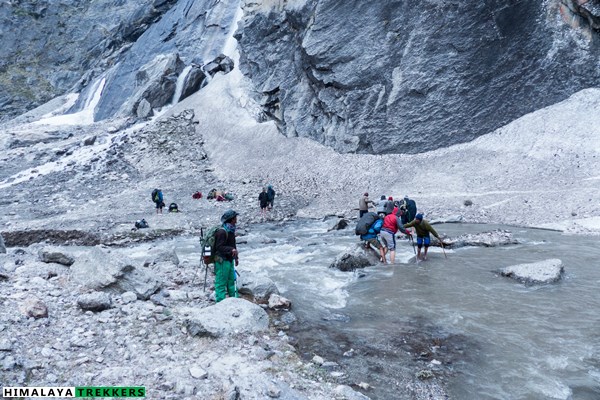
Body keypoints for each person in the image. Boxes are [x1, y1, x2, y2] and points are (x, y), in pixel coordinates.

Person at [214, 209, 240, 302]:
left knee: (231, 282)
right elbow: (219, 247)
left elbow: (233, 245)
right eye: (235, 218)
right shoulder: (222, 232)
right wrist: (231, 250)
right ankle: (220, 302)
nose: (236, 219)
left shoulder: (231, 230)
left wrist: (236, 258)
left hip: (229, 260)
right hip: (221, 261)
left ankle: (234, 301)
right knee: (221, 283)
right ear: (232, 219)